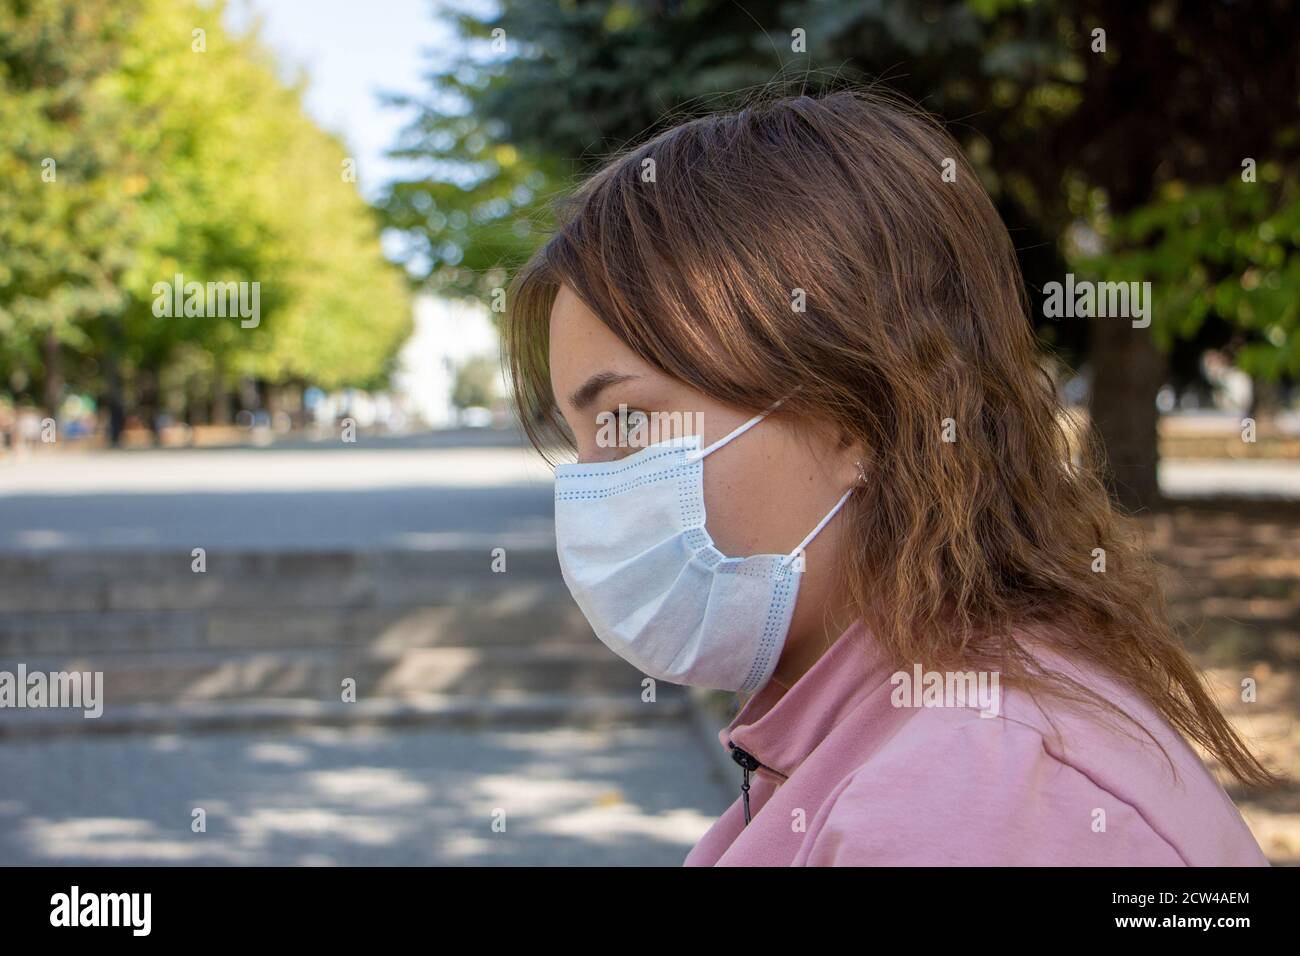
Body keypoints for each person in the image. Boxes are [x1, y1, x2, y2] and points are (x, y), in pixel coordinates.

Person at [503, 89, 1274, 866]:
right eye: (581, 441)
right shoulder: (900, 731)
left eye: (629, 423)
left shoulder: (971, 798)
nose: (591, 491)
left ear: (859, 414)